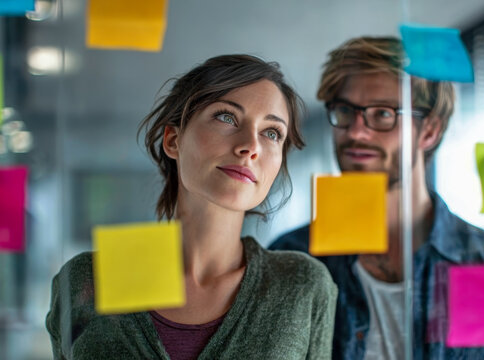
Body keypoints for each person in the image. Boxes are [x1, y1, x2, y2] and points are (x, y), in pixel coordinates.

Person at [46, 54, 337, 359]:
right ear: (173, 140)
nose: (251, 146)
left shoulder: (301, 284)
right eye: (227, 117)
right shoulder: (89, 278)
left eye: (272, 133)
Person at [270, 37, 484, 359]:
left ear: (430, 131)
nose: (355, 131)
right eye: (344, 110)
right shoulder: (291, 258)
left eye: (383, 114)